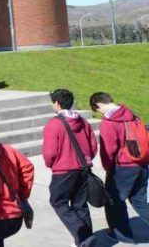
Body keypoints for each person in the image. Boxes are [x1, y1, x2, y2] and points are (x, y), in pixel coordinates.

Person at [90, 92, 149, 243]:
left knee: (113, 201)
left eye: (97, 110)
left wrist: (108, 168)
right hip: (142, 164)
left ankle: (122, 235)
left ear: (99, 105)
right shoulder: (132, 114)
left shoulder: (109, 122)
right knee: (139, 201)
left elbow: (108, 150)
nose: (100, 113)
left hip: (123, 168)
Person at [42, 89, 98, 247]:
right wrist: (87, 159)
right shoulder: (83, 122)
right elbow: (93, 146)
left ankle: (84, 236)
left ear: (57, 104)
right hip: (83, 169)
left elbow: (49, 152)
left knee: (58, 202)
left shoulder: (54, 124)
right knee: (80, 204)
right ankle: (85, 240)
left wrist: (51, 164)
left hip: (63, 171)